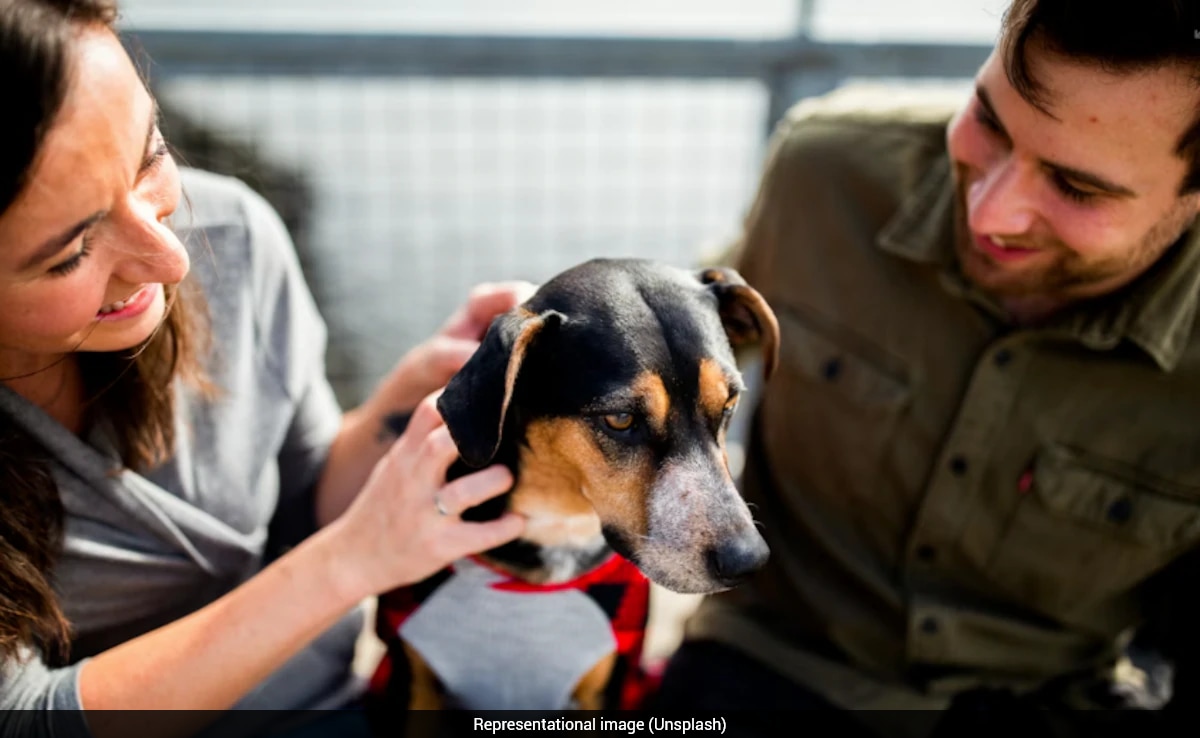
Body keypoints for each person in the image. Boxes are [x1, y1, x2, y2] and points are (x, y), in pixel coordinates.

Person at [653, 1, 1200, 735]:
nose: (990, 211)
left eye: (1078, 189)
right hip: (766, 666)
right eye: (990, 123)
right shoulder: (825, 170)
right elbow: (672, 357)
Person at [0, 1, 529, 736]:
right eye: (69, 254)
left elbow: (302, 497)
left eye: (151, 155)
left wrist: (403, 407)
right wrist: (349, 565)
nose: (173, 261)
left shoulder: (235, 236)